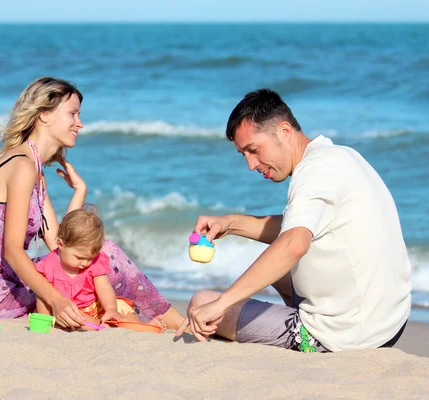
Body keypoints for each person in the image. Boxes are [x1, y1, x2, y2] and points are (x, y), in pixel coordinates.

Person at [176, 89, 411, 352]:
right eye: (244, 155)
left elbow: (293, 244)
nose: (251, 165)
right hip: (389, 318)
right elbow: (295, 227)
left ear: (284, 131)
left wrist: (222, 304)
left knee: (201, 302)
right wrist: (230, 224)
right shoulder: (339, 156)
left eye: (254, 150)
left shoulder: (313, 175)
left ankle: (302, 335)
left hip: (349, 335)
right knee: (271, 265)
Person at [0, 76, 184, 330]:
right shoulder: (22, 166)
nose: (80, 123)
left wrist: (79, 193)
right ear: (45, 115)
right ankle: (178, 323)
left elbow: (61, 244)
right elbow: (12, 251)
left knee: (97, 254)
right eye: (72, 114)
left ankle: (165, 321)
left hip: (6, 288)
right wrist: (57, 300)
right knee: (105, 254)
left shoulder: (33, 169)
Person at [34, 209, 166, 330]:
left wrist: (111, 309)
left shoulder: (96, 262)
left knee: (122, 307)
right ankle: (107, 327)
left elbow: (104, 287)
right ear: (60, 244)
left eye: (90, 258)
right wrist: (45, 319)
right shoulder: (49, 265)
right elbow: (43, 296)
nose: (85, 263)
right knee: (78, 317)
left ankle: (140, 327)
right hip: (72, 309)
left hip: (95, 306)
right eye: (79, 257)